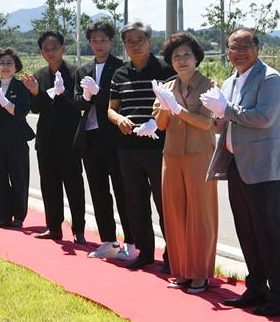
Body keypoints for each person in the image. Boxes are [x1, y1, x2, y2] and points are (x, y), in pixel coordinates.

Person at [206, 28, 280, 317]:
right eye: (234, 47)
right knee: (247, 231)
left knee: (270, 233)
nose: (239, 52)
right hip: (237, 165)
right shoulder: (232, 80)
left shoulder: (269, 79)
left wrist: (227, 109)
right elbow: (227, 117)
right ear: (227, 51)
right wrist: (217, 117)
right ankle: (257, 287)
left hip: (265, 169)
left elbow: (263, 118)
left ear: (257, 48)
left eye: (246, 46)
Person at [151, 33, 218, 294]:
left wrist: (180, 110)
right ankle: (182, 271)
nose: (181, 60)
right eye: (176, 56)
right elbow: (160, 125)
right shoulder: (166, 87)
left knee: (200, 214)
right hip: (172, 154)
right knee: (175, 213)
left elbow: (206, 123)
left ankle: (200, 273)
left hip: (199, 154)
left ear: (196, 58)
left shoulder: (209, 85)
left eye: (186, 55)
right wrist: (165, 109)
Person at [107, 21, 173, 270]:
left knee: (165, 203)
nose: (134, 45)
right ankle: (145, 252)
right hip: (128, 148)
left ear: (150, 41)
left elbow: (174, 107)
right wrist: (118, 119)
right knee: (136, 203)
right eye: (129, 42)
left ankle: (172, 255)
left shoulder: (166, 70)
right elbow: (111, 110)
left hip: (160, 148)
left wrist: (157, 123)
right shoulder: (120, 74)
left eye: (139, 40)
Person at [74, 20, 131, 258]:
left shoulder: (121, 68)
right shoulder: (82, 70)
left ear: (111, 42)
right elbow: (76, 102)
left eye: (103, 40)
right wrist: (86, 97)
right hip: (91, 137)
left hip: (114, 137)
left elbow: (121, 102)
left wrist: (99, 95)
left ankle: (132, 241)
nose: (98, 44)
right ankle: (108, 240)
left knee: (122, 190)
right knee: (98, 190)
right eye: (94, 40)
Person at [25, 31, 86, 242]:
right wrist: (34, 92)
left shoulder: (76, 72)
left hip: (70, 139)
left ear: (63, 48)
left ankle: (79, 230)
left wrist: (64, 94)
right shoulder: (40, 75)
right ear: (42, 52)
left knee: (74, 186)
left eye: (54, 48)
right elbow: (35, 107)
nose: (50, 53)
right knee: (49, 186)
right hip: (46, 139)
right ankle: (53, 227)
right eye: (46, 49)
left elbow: (80, 104)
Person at [0, 47, 36, 228]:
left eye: (9, 63)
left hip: (15, 139)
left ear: (16, 67)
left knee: (18, 177)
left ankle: (18, 216)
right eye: (2, 63)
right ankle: (0, 215)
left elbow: (21, 111)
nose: (5, 67)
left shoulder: (21, 87)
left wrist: (6, 103)